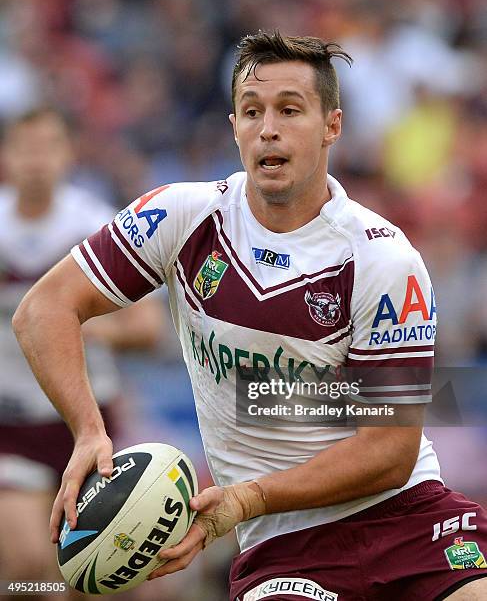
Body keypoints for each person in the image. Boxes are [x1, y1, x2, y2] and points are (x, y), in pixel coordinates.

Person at [13, 33, 487, 601]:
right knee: (25, 574)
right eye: (251, 111)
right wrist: (88, 429)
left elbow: (389, 449)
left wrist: (243, 498)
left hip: (408, 516)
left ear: (332, 126)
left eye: (290, 110)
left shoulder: (383, 258)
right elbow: (44, 307)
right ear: (233, 125)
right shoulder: (181, 216)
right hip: (284, 546)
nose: (268, 128)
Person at [0, 107, 163, 599]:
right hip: (13, 424)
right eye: (25, 147)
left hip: (89, 424)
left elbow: (147, 327)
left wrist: (80, 329)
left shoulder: (94, 226)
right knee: (26, 569)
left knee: (91, 579)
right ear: (7, 156)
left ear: (68, 153)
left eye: (48, 146)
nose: (36, 160)